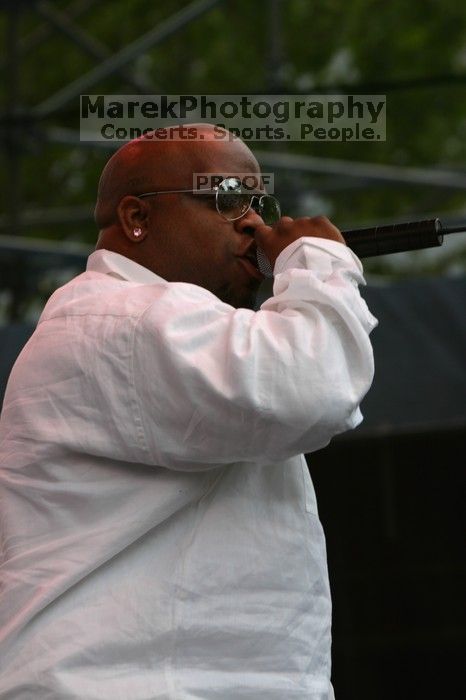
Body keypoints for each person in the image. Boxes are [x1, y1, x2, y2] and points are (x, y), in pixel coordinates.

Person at [0, 124, 377, 699]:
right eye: (226, 197)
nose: (255, 222)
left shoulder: (165, 324)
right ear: (136, 218)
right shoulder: (123, 320)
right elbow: (314, 381)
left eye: (260, 202)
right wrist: (319, 263)